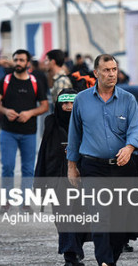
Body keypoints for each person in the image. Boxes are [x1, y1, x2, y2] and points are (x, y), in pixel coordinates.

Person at [67, 54, 138, 266]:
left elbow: (135, 129)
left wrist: (129, 148)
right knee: (99, 217)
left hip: (123, 168)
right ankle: (105, 261)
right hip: (93, 167)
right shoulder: (81, 100)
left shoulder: (128, 99)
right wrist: (71, 166)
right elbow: (74, 134)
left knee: (121, 222)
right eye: (106, 70)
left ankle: (110, 258)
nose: (111, 74)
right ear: (96, 73)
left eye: (114, 69)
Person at [34, 88, 90, 266]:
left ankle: (75, 250)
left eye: (72, 103)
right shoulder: (51, 122)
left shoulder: (86, 122)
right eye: (64, 103)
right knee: (63, 217)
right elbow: (44, 152)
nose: (68, 107)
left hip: (82, 177)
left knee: (81, 216)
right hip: (57, 177)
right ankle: (69, 255)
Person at [0, 49, 49, 214]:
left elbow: (44, 105)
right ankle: (6, 200)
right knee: (7, 166)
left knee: (28, 169)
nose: (18, 63)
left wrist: (30, 113)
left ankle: (25, 202)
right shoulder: (6, 80)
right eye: (16, 60)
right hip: (8, 132)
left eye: (21, 60)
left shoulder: (35, 81)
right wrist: (5, 110)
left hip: (29, 132)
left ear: (27, 63)